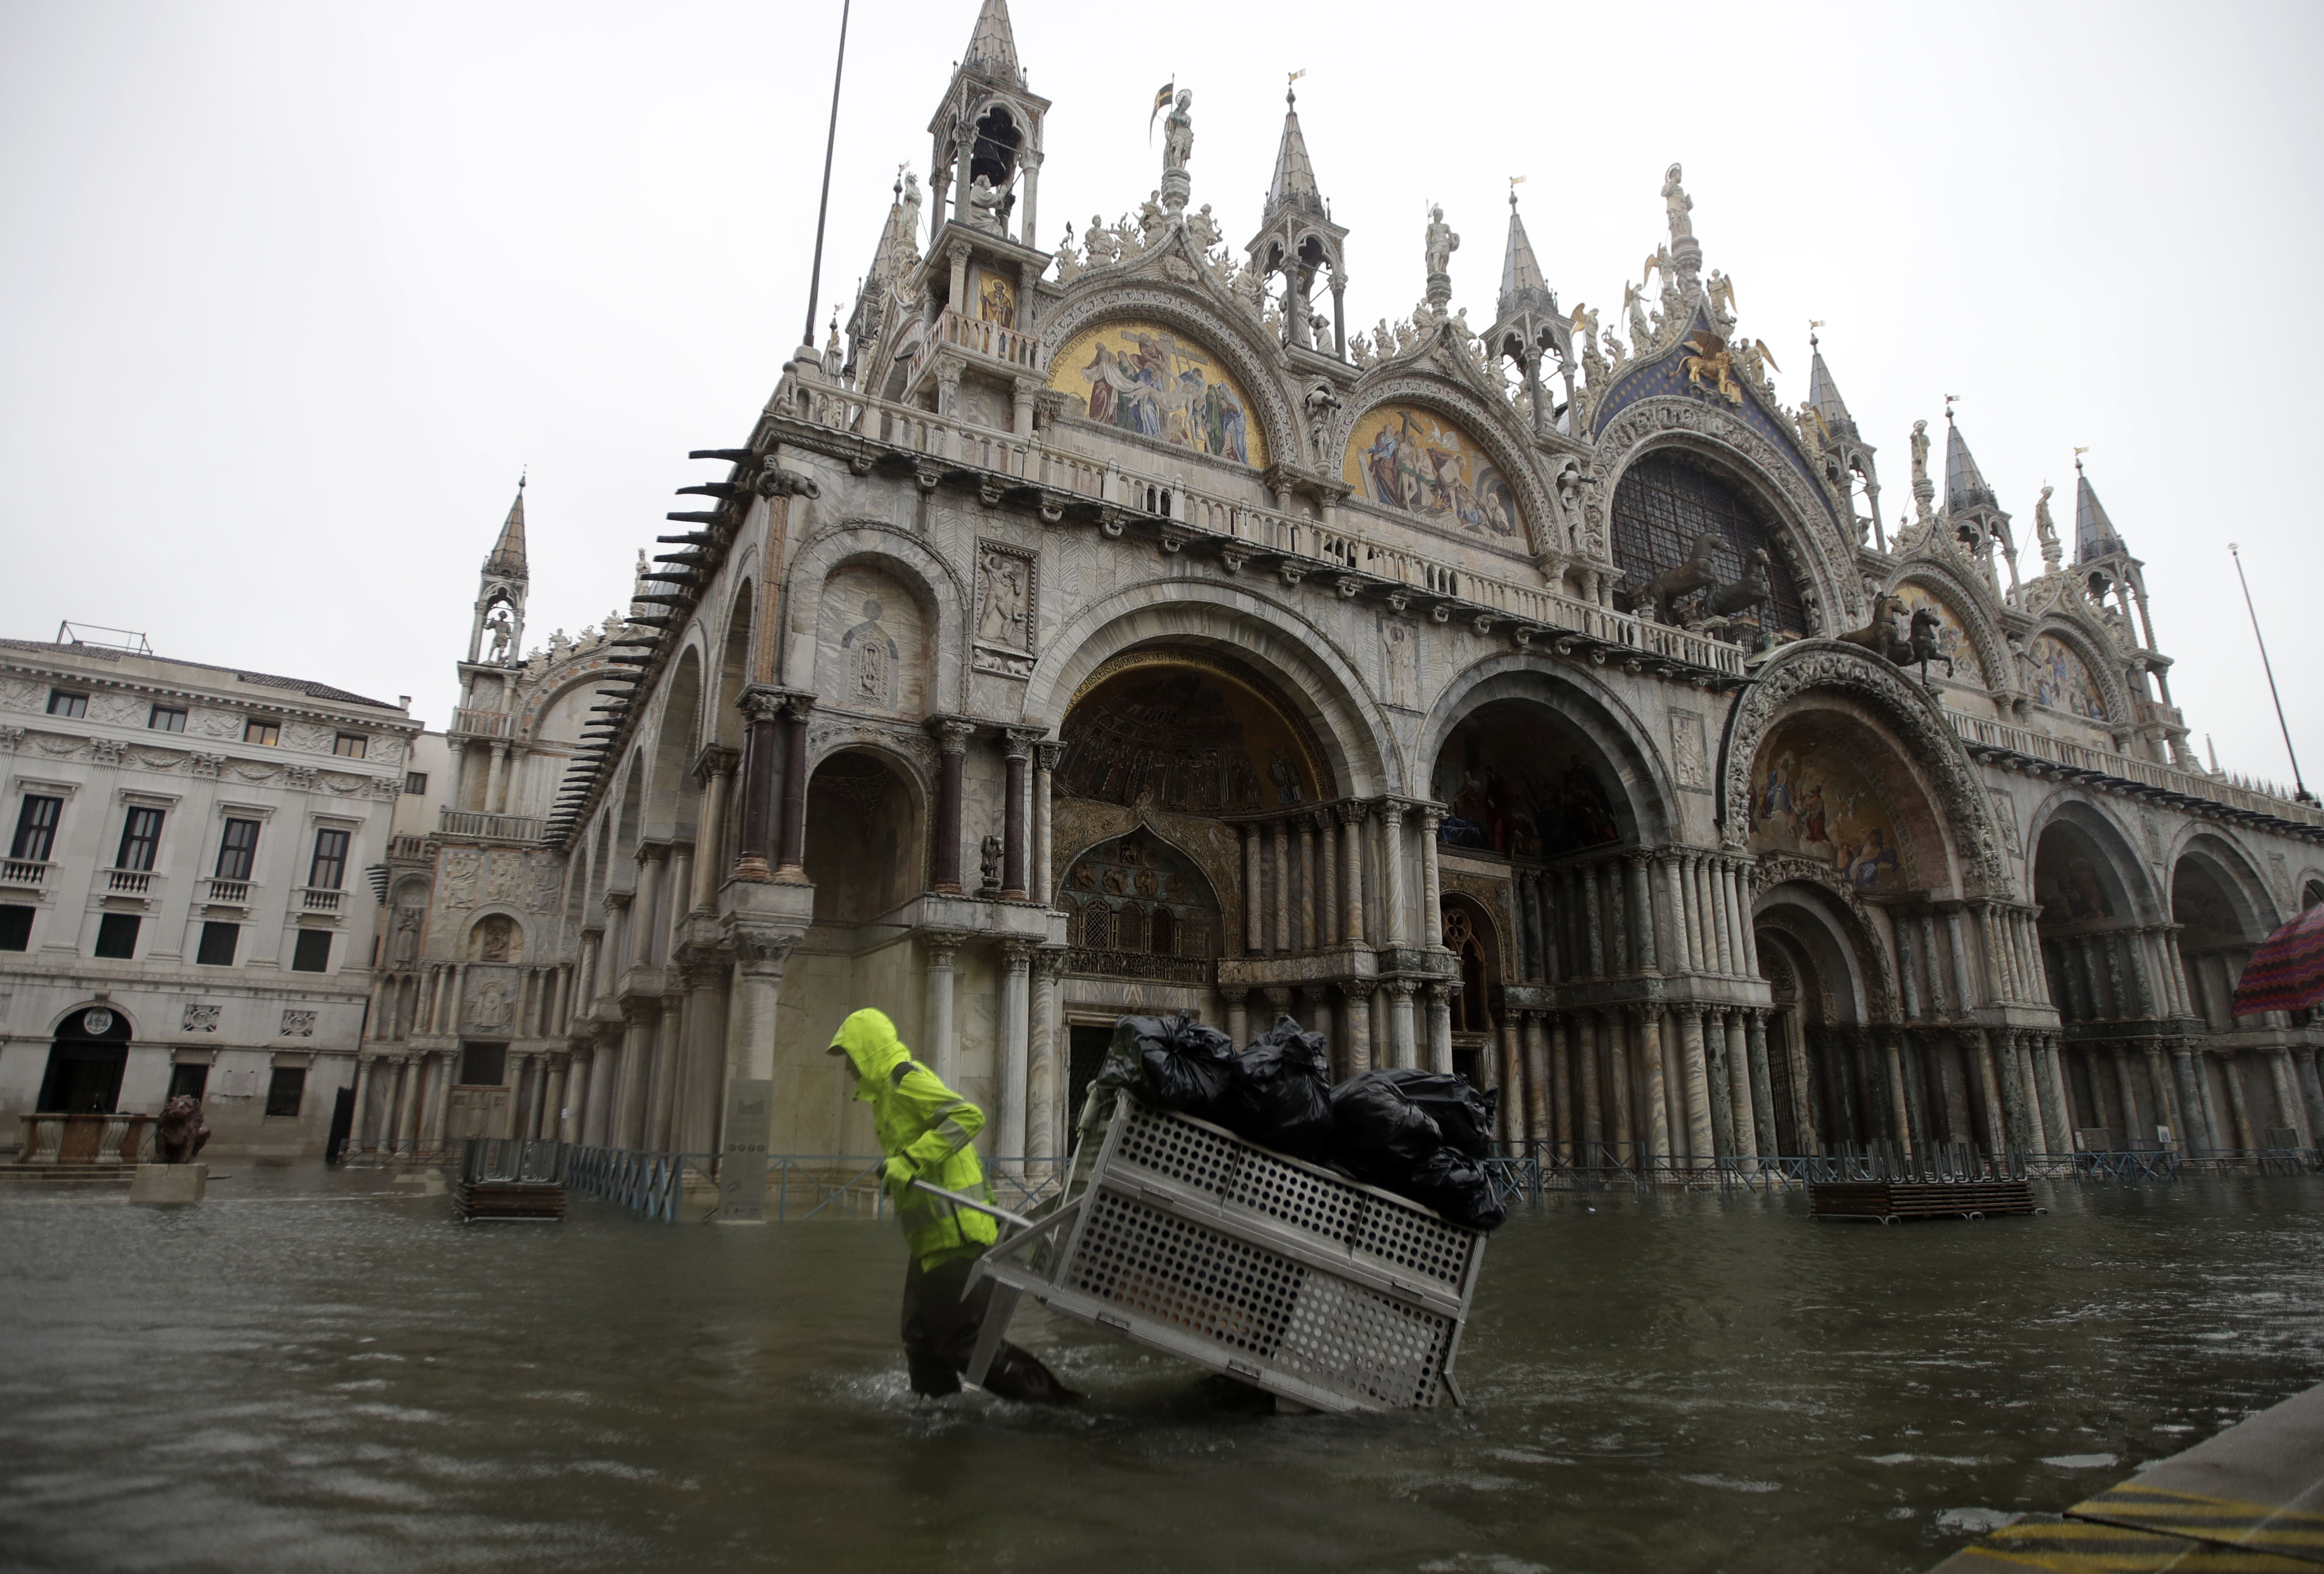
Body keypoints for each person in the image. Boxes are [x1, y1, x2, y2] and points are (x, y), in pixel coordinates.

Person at [827, 1008, 1080, 1405]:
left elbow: (968, 1116)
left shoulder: (904, 1079)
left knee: (959, 1342)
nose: (848, 1071)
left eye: (851, 1058)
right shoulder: (887, 1098)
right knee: (919, 1337)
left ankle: (1060, 1405)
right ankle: (939, 1411)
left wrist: (910, 1161)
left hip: (957, 1234)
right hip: (931, 1240)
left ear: (868, 1051)